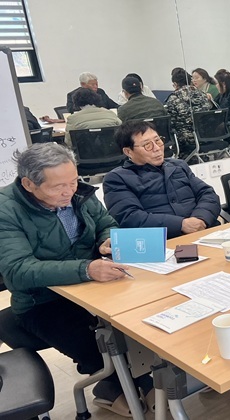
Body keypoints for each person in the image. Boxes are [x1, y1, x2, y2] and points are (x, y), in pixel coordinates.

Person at [0, 143, 152, 416]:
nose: (69, 192)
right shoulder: (6, 209)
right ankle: (124, 385)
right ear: (29, 184)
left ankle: (141, 382)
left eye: (73, 181)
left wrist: (107, 239)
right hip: (42, 300)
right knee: (93, 345)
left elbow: (107, 222)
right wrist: (85, 269)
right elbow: (17, 270)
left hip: (93, 286)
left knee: (140, 321)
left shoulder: (79, 193)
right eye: (58, 187)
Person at [103, 121, 221, 239]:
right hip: (165, 241)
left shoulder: (178, 165)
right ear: (128, 151)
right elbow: (130, 217)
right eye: (147, 145)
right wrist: (181, 225)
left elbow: (208, 194)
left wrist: (200, 218)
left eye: (158, 141)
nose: (157, 148)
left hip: (203, 231)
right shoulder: (117, 178)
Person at [165, 68, 213, 159]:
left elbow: (170, 122)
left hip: (186, 140)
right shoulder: (203, 94)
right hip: (206, 136)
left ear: (175, 84)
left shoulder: (174, 98)